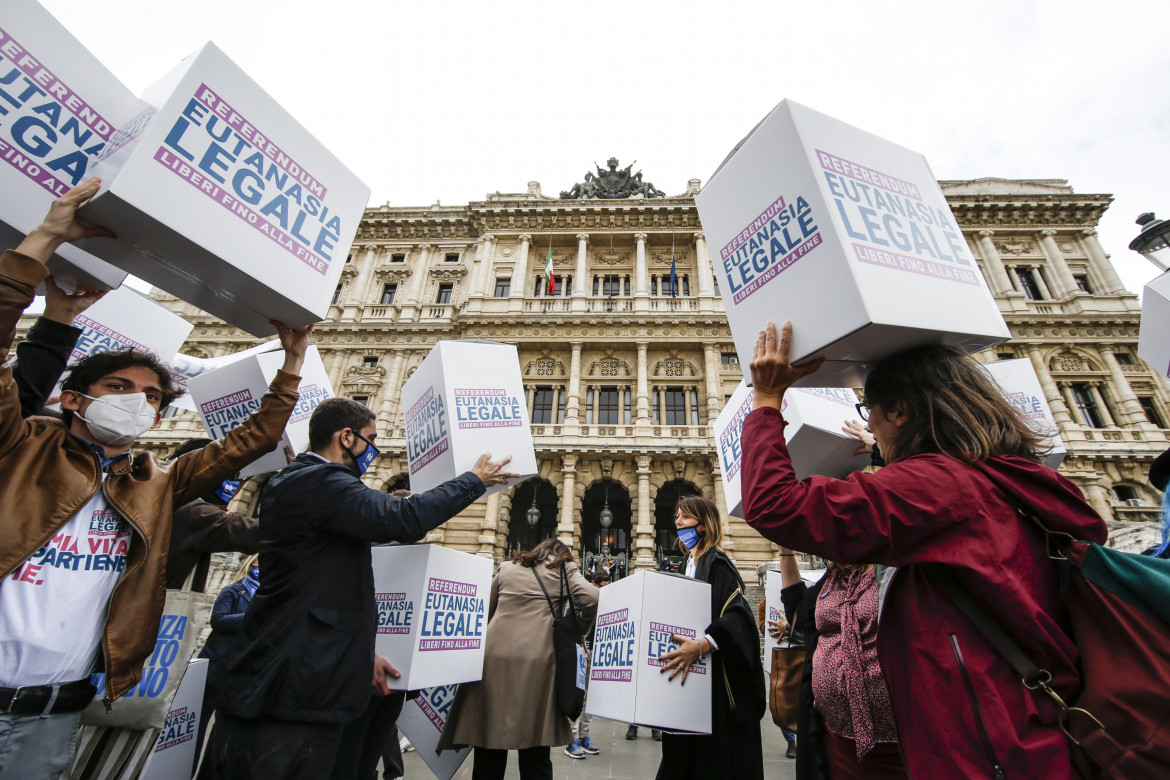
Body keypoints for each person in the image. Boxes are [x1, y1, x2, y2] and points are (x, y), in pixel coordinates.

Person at [0, 178, 310, 780]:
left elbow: (252, 442)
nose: (137, 403)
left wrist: (292, 363)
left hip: (55, 709)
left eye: (150, 397)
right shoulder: (17, 450)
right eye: (119, 389)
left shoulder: (152, 481)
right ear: (71, 397)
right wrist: (43, 239)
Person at [741, 320, 1109, 779]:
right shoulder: (1010, 477)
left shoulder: (938, 488)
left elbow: (775, 506)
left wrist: (766, 401)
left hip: (981, 741)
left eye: (869, 408)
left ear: (899, 411)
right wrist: (884, 453)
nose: (868, 421)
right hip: (1030, 723)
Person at [211, 397, 518, 780]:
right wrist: (474, 480)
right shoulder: (320, 481)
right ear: (346, 437)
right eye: (370, 440)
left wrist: (362, 655)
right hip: (299, 681)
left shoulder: (295, 480)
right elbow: (401, 518)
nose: (374, 449)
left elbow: (329, 587)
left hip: (301, 666)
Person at [438, 538, 599, 780]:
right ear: (561, 555)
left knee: (488, 741)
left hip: (493, 658)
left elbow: (485, 610)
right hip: (537, 661)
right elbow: (593, 597)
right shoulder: (563, 569)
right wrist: (579, 631)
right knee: (535, 744)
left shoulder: (507, 568)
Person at [654, 496, 766, 780]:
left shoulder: (717, 564)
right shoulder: (685, 564)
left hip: (714, 682)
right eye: (677, 516)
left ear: (704, 525)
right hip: (690, 681)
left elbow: (739, 618)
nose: (678, 522)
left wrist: (703, 644)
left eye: (686, 517)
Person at [195, 555, 260, 776]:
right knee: (198, 725)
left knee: (224, 729)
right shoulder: (233, 591)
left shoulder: (266, 597)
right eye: (260, 565)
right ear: (250, 566)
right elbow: (219, 620)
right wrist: (253, 615)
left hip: (241, 671)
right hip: (217, 665)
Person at [565, 568, 609, 759]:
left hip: (598, 651)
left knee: (591, 698)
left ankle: (584, 736)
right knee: (578, 695)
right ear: (594, 584)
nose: (603, 591)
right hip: (582, 650)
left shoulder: (608, 598)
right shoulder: (581, 597)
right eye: (601, 587)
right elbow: (570, 620)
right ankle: (571, 739)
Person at [757, 594, 798, 759]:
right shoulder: (763, 605)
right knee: (781, 701)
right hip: (777, 654)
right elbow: (761, 627)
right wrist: (773, 625)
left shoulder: (797, 601)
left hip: (797, 651)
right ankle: (790, 741)